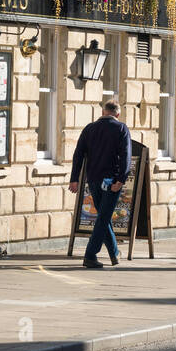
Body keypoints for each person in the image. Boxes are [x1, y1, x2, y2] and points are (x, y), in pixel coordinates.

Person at [70, 100, 132, 269]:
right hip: (111, 180)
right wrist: (121, 179)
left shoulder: (89, 128)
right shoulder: (121, 128)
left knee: (103, 216)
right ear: (117, 114)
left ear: (103, 112)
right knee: (103, 217)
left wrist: (74, 178)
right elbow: (126, 156)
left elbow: (78, 155)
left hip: (94, 179)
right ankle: (90, 254)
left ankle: (114, 253)